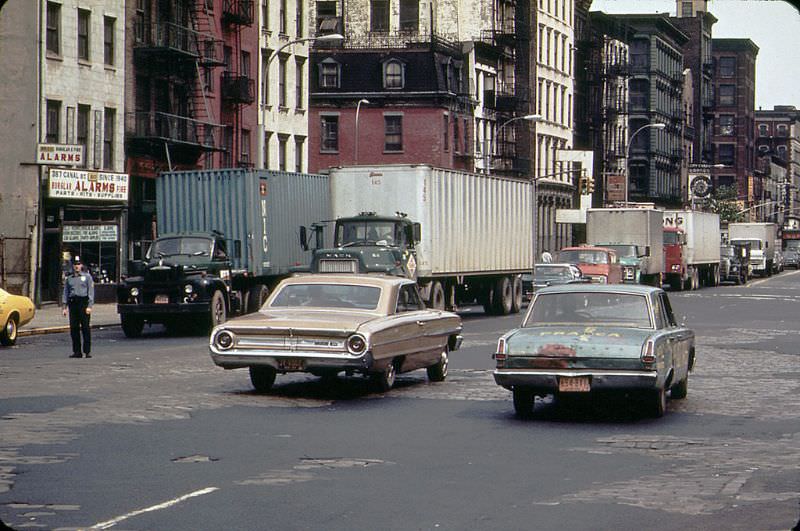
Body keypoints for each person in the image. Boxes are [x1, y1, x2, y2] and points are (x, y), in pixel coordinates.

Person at [62, 257, 94, 358]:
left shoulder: (87, 277)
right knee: (74, 328)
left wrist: (89, 306)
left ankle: (87, 351)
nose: (77, 266)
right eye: (75, 264)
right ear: (73, 266)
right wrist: (64, 307)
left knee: (85, 328)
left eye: (79, 264)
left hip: (83, 303)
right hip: (73, 303)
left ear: (81, 266)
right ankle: (77, 351)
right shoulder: (69, 278)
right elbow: (66, 292)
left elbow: (91, 292)